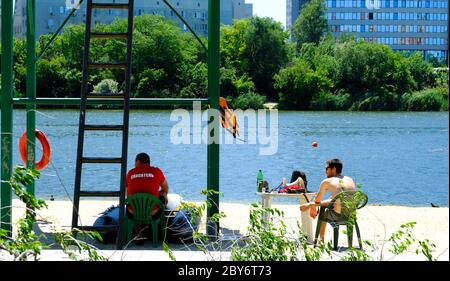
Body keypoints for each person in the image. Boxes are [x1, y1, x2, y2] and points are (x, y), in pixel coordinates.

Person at [299, 159, 356, 243]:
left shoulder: (327, 181)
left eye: (326, 169)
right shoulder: (349, 179)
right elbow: (337, 199)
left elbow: (317, 200)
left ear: (333, 169)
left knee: (323, 213)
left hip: (337, 216)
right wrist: (312, 205)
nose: (325, 171)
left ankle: (321, 240)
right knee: (324, 208)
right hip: (351, 215)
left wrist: (312, 206)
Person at [126, 153, 169, 242]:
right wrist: (162, 194)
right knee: (163, 195)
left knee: (134, 203)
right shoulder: (157, 171)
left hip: (134, 212)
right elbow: (165, 188)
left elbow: (127, 193)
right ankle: (162, 233)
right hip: (153, 212)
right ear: (148, 162)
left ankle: (139, 234)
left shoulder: (130, 173)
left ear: (138, 161)